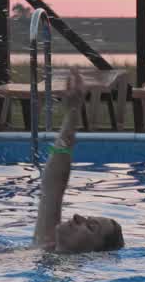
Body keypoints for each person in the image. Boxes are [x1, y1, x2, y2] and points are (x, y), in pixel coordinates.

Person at [33, 71, 125, 253]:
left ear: (93, 252)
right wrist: (72, 113)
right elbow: (53, 186)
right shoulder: (45, 246)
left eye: (91, 227)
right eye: (86, 219)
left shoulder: (59, 271)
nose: (76, 216)